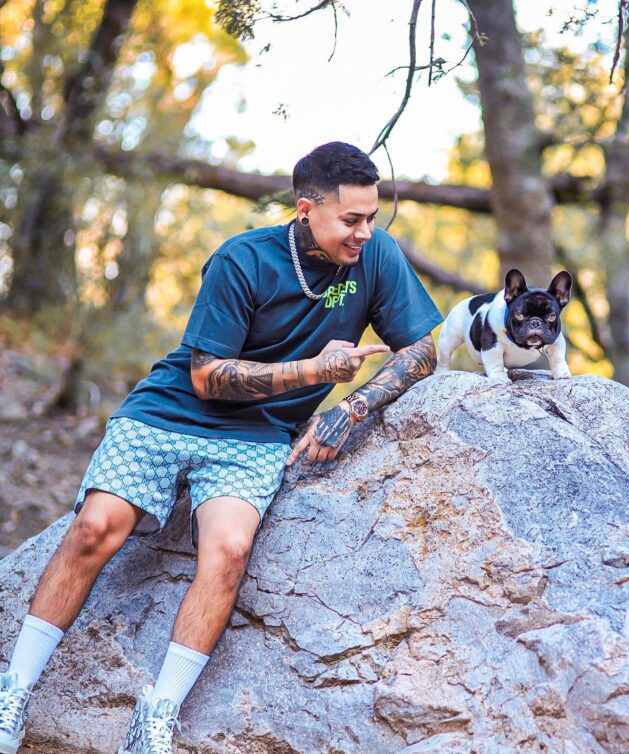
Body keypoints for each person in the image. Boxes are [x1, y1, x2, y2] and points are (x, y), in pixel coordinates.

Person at [0, 141, 443, 754]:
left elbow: (423, 348)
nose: (366, 232)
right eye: (352, 219)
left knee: (229, 552)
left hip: (255, 436)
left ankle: (155, 717)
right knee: (94, 530)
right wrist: (314, 372)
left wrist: (354, 406)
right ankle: (13, 693)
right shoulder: (242, 259)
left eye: (371, 217)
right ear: (306, 208)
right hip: (168, 412)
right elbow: (208, 377)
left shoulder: (376, 255)